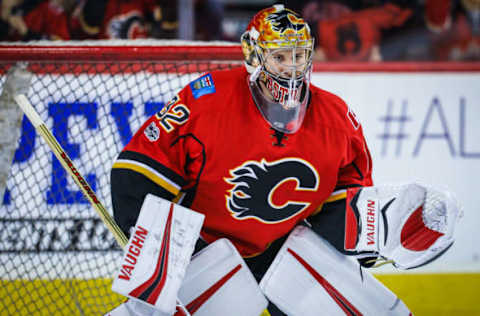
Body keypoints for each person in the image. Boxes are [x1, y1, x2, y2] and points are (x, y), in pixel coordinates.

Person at [109, 4, 459, 316]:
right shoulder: (207, 99)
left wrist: (384, 229)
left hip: (282, 250)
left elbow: (348, 207)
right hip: (204, 252)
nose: (291, 68)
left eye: (298, 56)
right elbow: (136, 173)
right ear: (254, 55)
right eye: (280, 57)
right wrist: (162, 263)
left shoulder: (337, 119)